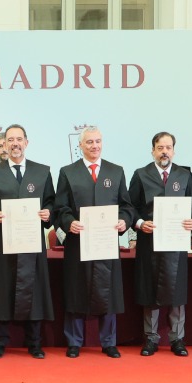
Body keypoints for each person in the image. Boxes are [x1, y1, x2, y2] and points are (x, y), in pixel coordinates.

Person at [54, 126, 134, 358]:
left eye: (98, 141)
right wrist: (69, 222)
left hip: (106, 243)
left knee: (108, 292)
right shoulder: (68, 172)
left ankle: (108, 342)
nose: (94, 146)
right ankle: (74, 342)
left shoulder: (115, 171)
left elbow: (127, 206)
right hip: (78, 243)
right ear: (80, 145)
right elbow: (61, 207)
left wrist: (124, 221)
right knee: (76, 290)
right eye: (89, 142)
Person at [0, 124, 55, 359]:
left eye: (19, 139)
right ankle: (0, 343)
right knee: (1, 292)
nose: (15, 144)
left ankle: (35, 343)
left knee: (34, 292)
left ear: (26, 143)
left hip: (32, 244)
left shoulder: (42, 172)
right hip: (3, 243)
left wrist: (48, 213)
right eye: (10, 140)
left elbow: (51, 202)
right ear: (4, 144)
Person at [128, 131, 192, 356]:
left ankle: (177, 339)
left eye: (168, 148)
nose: (164, 152)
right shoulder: (141, 174)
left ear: (174, 151)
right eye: (160, 148)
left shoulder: (184, 175)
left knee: (178, 292)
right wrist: (140, 223)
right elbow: (130, 207)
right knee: (150, 291)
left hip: (176, 243)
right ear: (153, 151)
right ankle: (151, 338)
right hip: (149, 242)